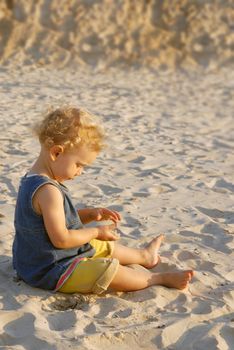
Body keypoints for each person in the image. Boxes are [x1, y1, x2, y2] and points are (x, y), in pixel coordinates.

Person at [12, 105, 193, 294]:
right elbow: (62, 239)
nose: (80, 172)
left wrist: (89, 215)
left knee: (99, 245)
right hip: (51, 270)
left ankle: (144, 256)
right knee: (107, 270)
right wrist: (96, 232)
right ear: (56, 153)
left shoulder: (31, 180)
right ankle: (158, 278)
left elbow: (53, 223)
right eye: (79, 165)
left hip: (32, 261)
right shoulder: (49, 191)